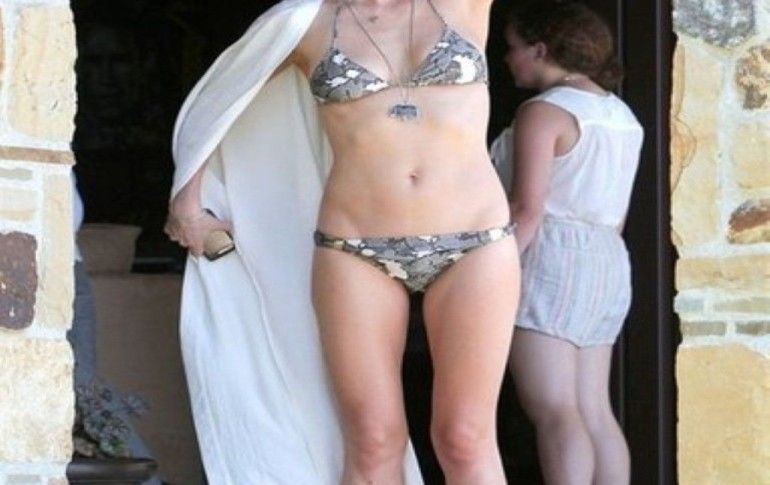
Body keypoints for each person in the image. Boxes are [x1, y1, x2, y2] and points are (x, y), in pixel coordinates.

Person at [164, 0, 519, 484]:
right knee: (373, 440)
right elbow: (223, 94)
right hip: (354, 247)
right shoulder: (304, 22)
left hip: (475, 241)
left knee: (464, 438)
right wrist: (187, 204)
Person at [494, 2, 643, 484]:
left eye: (513, 47)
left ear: (540, 50)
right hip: (606, 258)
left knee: (555, 408)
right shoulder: (621, 116)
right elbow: (617, 215)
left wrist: (490, 275)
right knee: (595, 409)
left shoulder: (545, 112)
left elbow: (527, 209)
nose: (507, 58)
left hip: (551, 256)